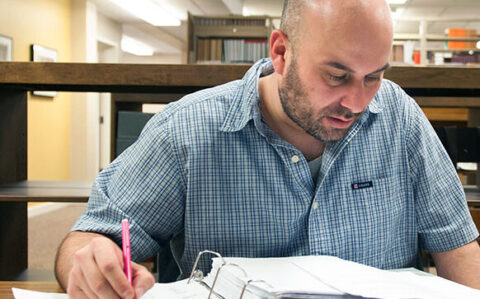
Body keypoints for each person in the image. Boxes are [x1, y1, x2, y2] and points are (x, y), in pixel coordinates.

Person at [55, 0, 480, 298]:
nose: (357, 103)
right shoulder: (188, 131)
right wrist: (92, 266)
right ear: (280, 51)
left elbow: (458, 249)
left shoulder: (400, 119)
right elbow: (90, 238)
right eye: (336, 76)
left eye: (373, 77)